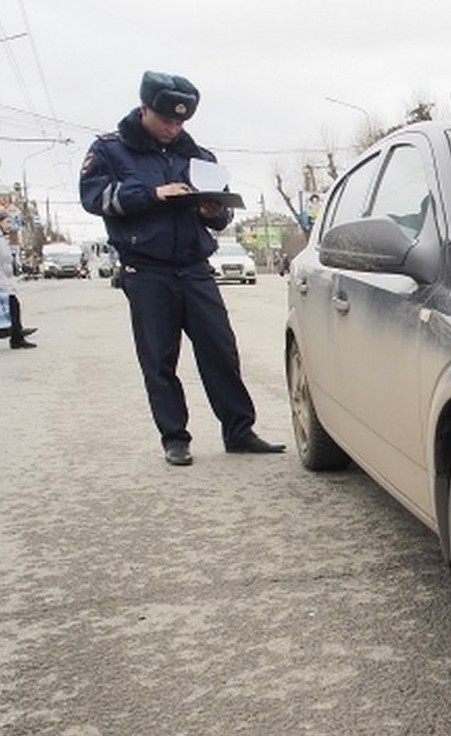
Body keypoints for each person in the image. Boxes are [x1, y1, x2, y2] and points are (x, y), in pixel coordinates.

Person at [79, 71, 284, 466]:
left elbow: (221, 214)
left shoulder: (198, 156)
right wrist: (153, 194)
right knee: (159, 358)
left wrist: (214, 211)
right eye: (166, 119)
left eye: (180, 121)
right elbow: (93, 197)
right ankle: (175, 438)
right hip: (146, 269)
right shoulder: (109, 150)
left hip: (194, 266)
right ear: (144, 110)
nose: (174, 127)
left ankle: (239, 431)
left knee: (221, 350)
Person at [0, 208, 36, 350]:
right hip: (2, 282)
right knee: (13, 307)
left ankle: (17, 334)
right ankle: (16, 337)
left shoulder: (2, 238)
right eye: (7, 222)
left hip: (5, 281)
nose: (10, 225)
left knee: (13, 307)